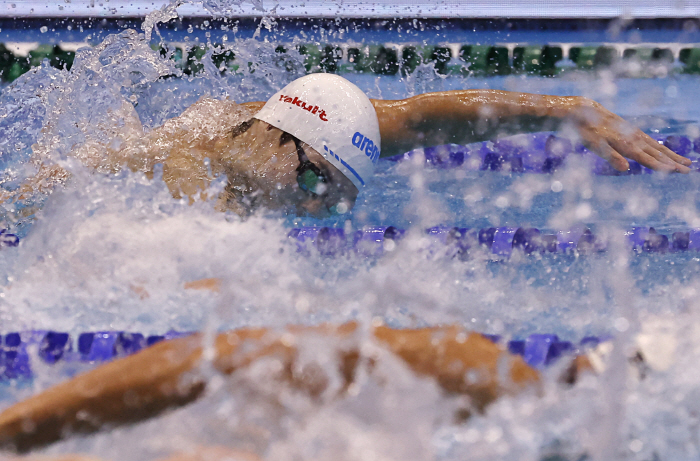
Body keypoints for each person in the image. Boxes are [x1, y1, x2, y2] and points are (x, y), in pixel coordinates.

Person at [10, 73, 692, 218]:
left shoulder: (315, 132)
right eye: (316, 187)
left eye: (334, 200)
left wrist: (565, 109)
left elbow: (422, 118)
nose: (314, 210)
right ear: (281, 143)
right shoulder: (189, 162)